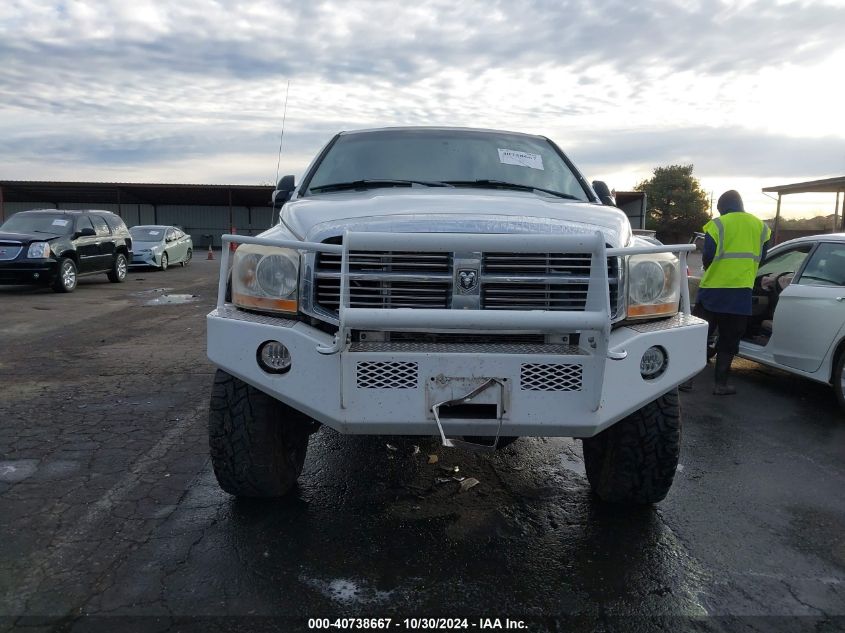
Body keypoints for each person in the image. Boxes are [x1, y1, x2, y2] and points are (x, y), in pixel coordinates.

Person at [692, 190, 771, 395]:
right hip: (741, 294)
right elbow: (762, 258)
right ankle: (721, 385)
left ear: (722, 207)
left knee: (699, 337)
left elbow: (708, 256)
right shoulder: (760, 227)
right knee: (729, 341)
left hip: (712, 292)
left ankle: (686, 382)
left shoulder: (718, 224)